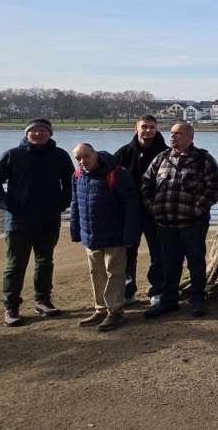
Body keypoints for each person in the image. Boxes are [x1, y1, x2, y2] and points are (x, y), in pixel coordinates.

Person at [0, 117, 73, 327]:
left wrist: (60, 204)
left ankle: (42, 299)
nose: (38, 134)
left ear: (50, 134)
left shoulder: (59, 155)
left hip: (48, 220)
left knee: (45, 262)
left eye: (43, 130)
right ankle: (11, 305)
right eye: (34, 130)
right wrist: (10, 205)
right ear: (27, 133)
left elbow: (71, 183)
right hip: (18, 222)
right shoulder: (13, 155)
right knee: (15, 266)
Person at [141, 122, 218, 319]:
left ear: (190, 137)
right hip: (165, 225)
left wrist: (199, 207)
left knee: (195, 263)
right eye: (171, 133)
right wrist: (152, 207)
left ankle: (197, 299)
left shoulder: (203, 159)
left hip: (193, 224)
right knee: (169, 263)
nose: (173, 136)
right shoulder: (161, 158)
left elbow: (215, 186)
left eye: (178, 133)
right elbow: (146, 184)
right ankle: (168, 300)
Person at [70, 142, 139, 332]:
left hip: (115, 236)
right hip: (91, 236)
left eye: (86, 156)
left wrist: (129, 235)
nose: (82, 161)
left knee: (115, 274)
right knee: (96, 273)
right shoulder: (77, 176)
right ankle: (100, 309)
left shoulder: (117, 174)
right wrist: (76, 231)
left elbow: (132, 206)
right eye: (78, 158)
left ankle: (115, 311)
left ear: (96, 154)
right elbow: (75, 204)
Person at [114, 114, 169, 306]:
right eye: (144, 127)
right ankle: (128, 291)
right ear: (135, 128)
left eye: (152, 127)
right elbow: (111, 182)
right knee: (128, 253)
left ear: (156, 129)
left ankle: (157, 290)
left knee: (159, 253)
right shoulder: (123, 153)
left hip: (156, 213)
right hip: (129, 214)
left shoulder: (166, 153)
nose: (148, 130)